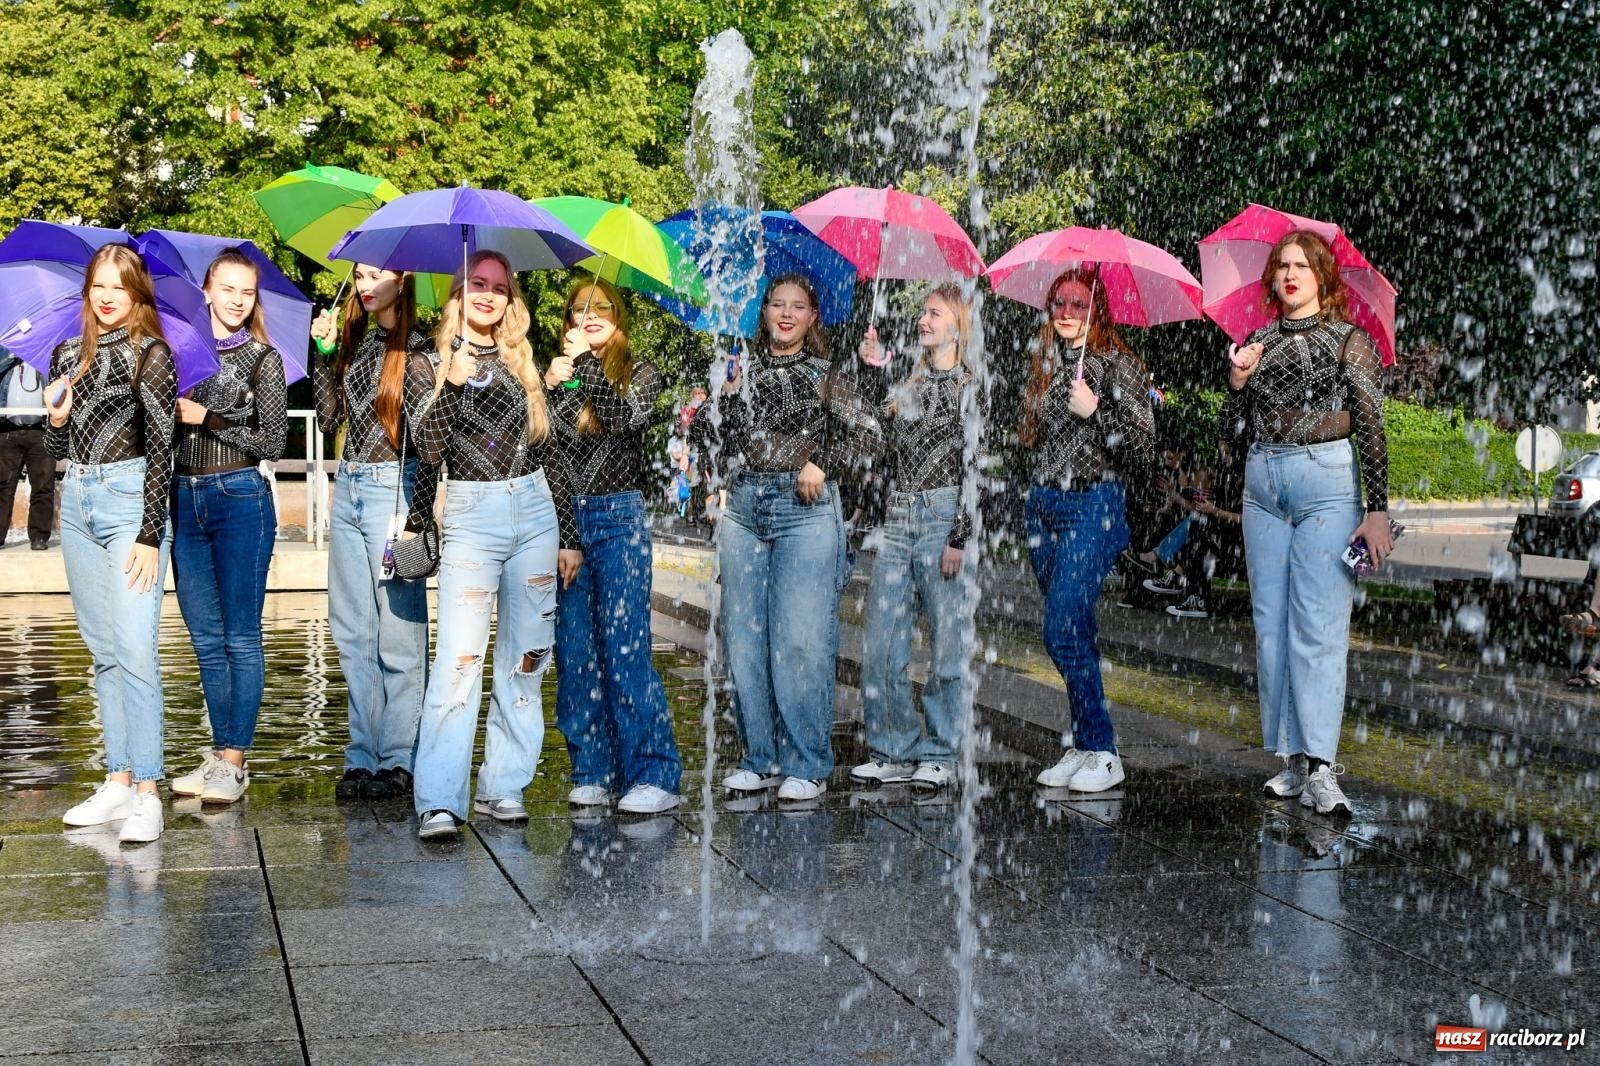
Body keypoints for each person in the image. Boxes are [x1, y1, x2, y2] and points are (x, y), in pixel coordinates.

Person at [691, 273, 882, 802]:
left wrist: (825, 461)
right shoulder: (741, 371)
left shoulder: (826, 374)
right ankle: (761, 757)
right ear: (764, 311)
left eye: (798, 306)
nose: (787, 313)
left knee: (800, 640)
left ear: (813, 317)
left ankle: (808, 762)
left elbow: (872, 435)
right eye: (777, 304)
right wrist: (726, 398)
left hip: (805, 511)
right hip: (745, 509)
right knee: (745, 640)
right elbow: (714, 439)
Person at [1222, 229, 1393, 816]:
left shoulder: (1350, 341)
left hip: (1327, 485)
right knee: (1271, 629)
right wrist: (1239, 382)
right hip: (1263, 484)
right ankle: (1292, 760)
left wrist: (1378, 510)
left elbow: (1371, 424)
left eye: (1301, 265)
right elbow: (1229, 432)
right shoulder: (1259, 341)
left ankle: (1322, 766)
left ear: (1323, 276)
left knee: (1318, 626)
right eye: (1281, 266)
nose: (1289, 275)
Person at [409, 251, 578, 840]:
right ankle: (438, 800)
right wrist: (451, 386)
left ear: (511, 300)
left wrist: (571, 535)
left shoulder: (520, 361)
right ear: (458, 292)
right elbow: (426, 450)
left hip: (534, 512)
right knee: (458, 661)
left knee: (527, 660)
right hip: (472, 516)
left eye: (499, 288)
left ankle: (503, 786)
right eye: (477, 284)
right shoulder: (430, 362)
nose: (488, 295)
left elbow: (549, 448)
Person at [44, 243, 176, 843]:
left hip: (130, 505)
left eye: (118, 286)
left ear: (136, 293)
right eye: (97, 285)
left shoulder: (152, 354)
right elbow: (54, 456)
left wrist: (150, 533)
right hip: (78, 502)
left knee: (136, 649)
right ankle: (117, 780)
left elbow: (161, 450)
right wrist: (55, 420)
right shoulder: (67, 355)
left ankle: (149, 788)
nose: (105, 296)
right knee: (102, 652)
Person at [546, 276, 683, 815]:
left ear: (619, 316)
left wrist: (585, 368)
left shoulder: (641, 373)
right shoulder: (558, 377)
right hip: (568, 526)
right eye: (580, 307)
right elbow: (549, 456)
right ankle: (593, 769)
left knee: (625, 650)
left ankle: (654, 773)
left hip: (619, 519)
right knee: (576, 654)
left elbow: (624, 421)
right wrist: (553, 385)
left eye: (602, 306)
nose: (591, 313)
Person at [1021, 267, 1155, 793]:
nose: (1067, 314)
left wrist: (1098, 412)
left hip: (1094, 507)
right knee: (1073, 632)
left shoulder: (1117, 365)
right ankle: (1084, 743)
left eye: (1079, 304)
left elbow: (1144, 447)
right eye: (1059, 304)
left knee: (1059, 629)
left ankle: (1104, 750)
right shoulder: (1048, 366)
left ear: (1096, 310)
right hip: (1044, 507)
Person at [167, 248, 289, 806]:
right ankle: (220, 755)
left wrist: (208, 417)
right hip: (183, 496)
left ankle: (235, 761)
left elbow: (273, 444)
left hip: (240, 496)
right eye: (229, 289)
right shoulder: (175, 353)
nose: (239, 300)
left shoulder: (265, 359)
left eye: (247, 291)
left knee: (241, 635)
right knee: (205, 640)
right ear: (208, 291)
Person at [310, 265, 436, 801]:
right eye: (359, 274)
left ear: (402, 279)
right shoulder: (352, 338)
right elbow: (326, 419)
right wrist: (321, 356)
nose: (364, 284)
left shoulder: (422, 346)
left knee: (398, 634)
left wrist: (418, 517)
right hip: (352, 487)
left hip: (394, 491)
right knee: (352, 630)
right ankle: (361, 756)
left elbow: (430, 442)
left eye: (377, 275)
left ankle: (399, 758)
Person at [849, 286, 979, 791]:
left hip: (944, 515)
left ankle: (942, 750)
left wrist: (960, 536)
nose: (923, 320)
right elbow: (870, 433)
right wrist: (871, 368)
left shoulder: (971, 384)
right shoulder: (909, 380)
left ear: (956, 326)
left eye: (933, 313)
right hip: (899, 517)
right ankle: (893, 746)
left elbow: (975, 464)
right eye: (923, 312)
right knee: (881, 640)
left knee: (946, 645)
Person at [0, 346, 54, 549]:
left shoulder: (47, 355)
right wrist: (11, 356)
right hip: (7, 429)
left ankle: (39, 536)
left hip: (40, 430)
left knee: (43, 486)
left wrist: (38, 356)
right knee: (3, 486)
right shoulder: (4, 352)